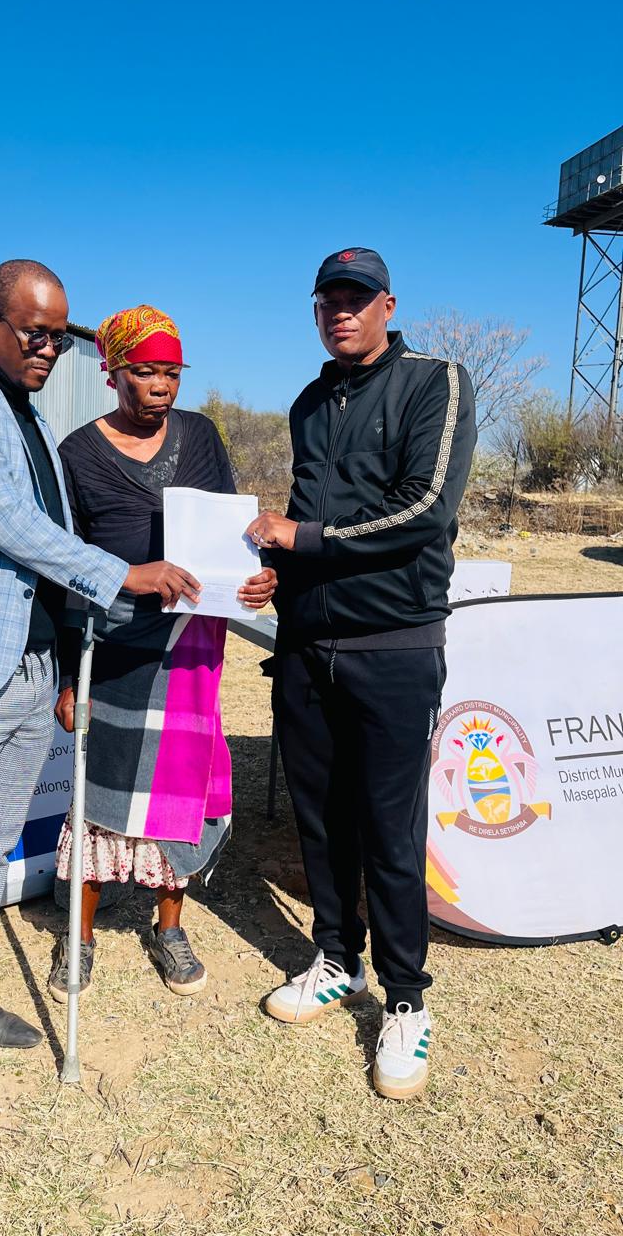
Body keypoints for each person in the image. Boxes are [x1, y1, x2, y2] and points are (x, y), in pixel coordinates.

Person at [0, 262, 201, 1139]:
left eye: (58, 337)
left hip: (26, 670)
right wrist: (124, 574)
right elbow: (13, 527)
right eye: (33, 332)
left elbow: (48, 543)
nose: (48, 348)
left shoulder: (31, 420)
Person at [246, 247, 476, 1100]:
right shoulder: (310, 403)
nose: (340, 312)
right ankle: (336, 958)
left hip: (393, 643)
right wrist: (278, 575)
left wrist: (302, 540)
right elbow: (306, 515)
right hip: (308, 644)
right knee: (321, 818)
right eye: (327, 301)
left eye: (356, 299)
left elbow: (425, 510)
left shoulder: (435, 382)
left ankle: (406, 999)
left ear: (387, 306)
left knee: (388, 827)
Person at [46, 305, 276, 1002]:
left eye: (172, 373)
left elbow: (232, 534)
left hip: (190, 646)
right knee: (97, 794)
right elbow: (62, 567)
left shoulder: (201, 436)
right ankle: (79, 936)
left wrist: (257, 578)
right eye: (146, 372)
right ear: (112, 372)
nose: (161, 386)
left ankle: (169, 927)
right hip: (113, 646)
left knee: (182, 789)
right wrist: (68, 676)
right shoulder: (79, 454)